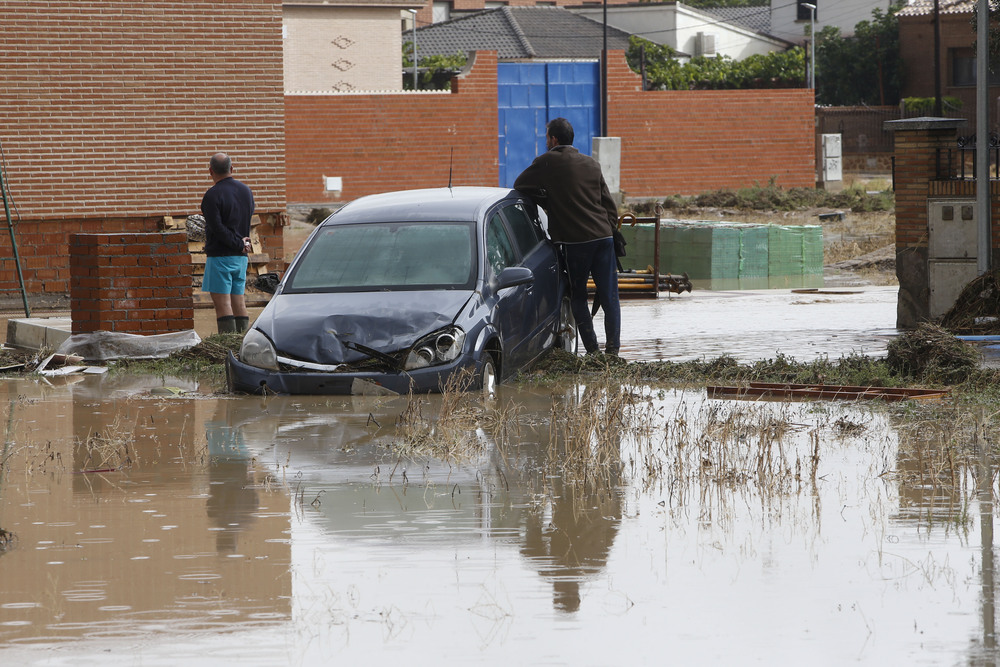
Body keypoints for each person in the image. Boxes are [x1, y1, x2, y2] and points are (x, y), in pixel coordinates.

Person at [513, 118, 621, 356]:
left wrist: (549, 200)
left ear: (553, 140)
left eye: (546, 138)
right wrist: (608, 229)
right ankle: (613, 352)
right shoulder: (592, 164)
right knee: (610, 295)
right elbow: (609, 206)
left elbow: (519, 184)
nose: (546, 142)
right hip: (604, 238)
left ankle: (593, 352)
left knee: (578, 297)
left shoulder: (546, 162)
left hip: (575, 242)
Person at [201, 152, 255, 333]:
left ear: (210, 171)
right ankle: (242, 342)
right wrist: (242, 245)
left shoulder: (211, 195)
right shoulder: (246, 191)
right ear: (231, 169)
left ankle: (227, 345)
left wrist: (236, 244)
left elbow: (217, 228)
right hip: (241, 258)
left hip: (220, 257)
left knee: (223, 305)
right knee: (239, 302)